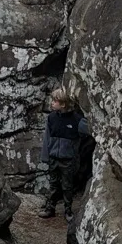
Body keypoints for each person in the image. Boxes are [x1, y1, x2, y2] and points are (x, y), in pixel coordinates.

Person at [38, 88, 91, 222]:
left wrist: (76, 150)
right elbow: (47, 138)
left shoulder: (77, 120)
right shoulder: (51, 118)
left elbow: (89, 132)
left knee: (67, 186)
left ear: (63, 104)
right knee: (53, 184)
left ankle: (68, 210)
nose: (52, 103)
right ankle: (50, 208)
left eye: (55, 101)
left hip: (68, 159)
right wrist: (46, 156)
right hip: (54, 158)